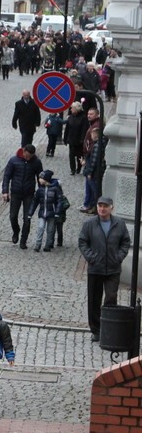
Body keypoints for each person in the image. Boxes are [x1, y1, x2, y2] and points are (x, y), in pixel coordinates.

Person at [78, 196, 131, 342]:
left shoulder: (119, 224)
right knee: (94, 300)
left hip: (113, 269)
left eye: (105, 206)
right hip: (95, 268)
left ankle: (109, 327)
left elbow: (125, 242)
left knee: (111, 298)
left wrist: (119, 256)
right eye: (100, 206)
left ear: (111, 208)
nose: (102, 209)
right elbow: (83, 242)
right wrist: (91, 257)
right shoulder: (89, 224)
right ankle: (96, 330)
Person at [1, 145, 43, 249]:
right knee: (13, 216)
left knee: (27, 218)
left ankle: (23, 240)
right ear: (23, 152)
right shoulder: (14, 160)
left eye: (30, 157)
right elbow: (7, 176)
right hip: (16, 192)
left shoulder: (36, 162)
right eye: (26, 156)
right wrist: (5, 191)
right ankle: (16, 231)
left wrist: (41, 192)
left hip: (29, 193)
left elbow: (40, 178)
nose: (28, 158)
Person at [28, 170, 64, 252]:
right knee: (40, 227)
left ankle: (48, 245)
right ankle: (38, 244)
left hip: (52, 213)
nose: (39, 180)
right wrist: (30, 213)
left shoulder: (55, 189)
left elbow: (59, 201)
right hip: (42, 213)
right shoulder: (40, 190)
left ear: (46, 179)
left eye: (41, 178)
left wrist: (57, 212)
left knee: (50, 230)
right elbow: (35, 202)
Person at [63, 102, 87, 175]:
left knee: (79, 156)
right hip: (71, 139)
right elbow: (67, 128)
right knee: (71, 155)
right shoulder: (70, 117)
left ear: (76, 109)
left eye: (72, 108)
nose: (71, 109)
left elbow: (84, 129)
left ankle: (79, 168)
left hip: (79, 140)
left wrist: (82, 140)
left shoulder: (83, 118)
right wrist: (65, 138)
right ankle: (72, 169)